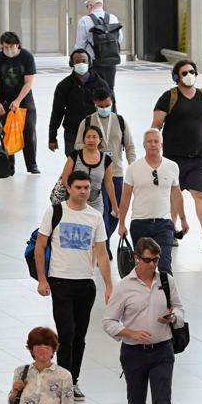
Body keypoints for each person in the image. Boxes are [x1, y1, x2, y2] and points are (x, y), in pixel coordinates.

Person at [103, 236, 183, 404]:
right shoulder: (124, 286)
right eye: (148, 260)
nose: (153, 265)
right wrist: (131, 333)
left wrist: (173, 317)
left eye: (156, 260)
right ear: (137, 258)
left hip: (162, 352)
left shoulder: (166, 282)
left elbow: (180, 309)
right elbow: (108, 322)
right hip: (134, 353)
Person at [35, 171, 112, 401]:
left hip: (85, 283)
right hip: (60, 280)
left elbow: (101, 252)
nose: (83, 191)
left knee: (80, 335)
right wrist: (42, 279)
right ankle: (63, 382)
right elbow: (40, 247)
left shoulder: (95, 217)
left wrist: (109, 285)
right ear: (68, 188)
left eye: (86, 187)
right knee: (66, 333)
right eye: (78, 187)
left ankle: (73, 380)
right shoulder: (55, 211)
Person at [153, 60, 202, 250]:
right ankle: (171, 232)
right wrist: (153, 150)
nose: (189, 75)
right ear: (176, 76)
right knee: (173, 196)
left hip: (200, 157)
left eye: (192, 71)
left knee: (200, 194)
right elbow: (156, 124)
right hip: (173, 158)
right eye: (184, 72)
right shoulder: (168, 97)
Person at [119, 129, 185, 273]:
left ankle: (166, 295)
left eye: (156, 141)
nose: (153, 144)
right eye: (149, 141)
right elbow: (126, 196)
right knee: (143, 268)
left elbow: (176, 194)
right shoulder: (133, 168)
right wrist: (121, 223)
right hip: (140, 223)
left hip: (164, 224)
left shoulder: (172, 166)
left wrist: (183, 219)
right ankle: (143, 295)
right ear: (144, 145)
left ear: (161, 144)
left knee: (164, 266)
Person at [76, 89, 136, 239]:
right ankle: (104, 245)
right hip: (97, 174)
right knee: (102, 210)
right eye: (100, 106)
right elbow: (77, 145)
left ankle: (103, 238)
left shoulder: (120, 121)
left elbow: (130, 146)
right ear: (95, 104)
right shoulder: (88, 122)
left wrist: (133, 167)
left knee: (116, 211)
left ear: (112, 102)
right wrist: (92, 146)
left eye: (107, 105)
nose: (104, 108)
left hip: (116, 173)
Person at [0, 32, 39, 174]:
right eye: (5, 47)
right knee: (6, 132)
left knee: (29, 130)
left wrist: (18, 101)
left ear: (17, 45)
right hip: (4, 99)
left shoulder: (26, 57)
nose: (8, 50)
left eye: (10, 46)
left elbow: (28, 83)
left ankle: (31, 164)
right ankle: (9, 165)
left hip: (24, 99)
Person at [60, 125, 114, 231]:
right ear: (83, 139)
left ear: (100, 140)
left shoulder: (106, 160)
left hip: (96, 202)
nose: (91, 140)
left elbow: (109, 184)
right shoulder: (75, 155)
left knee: (94, 233)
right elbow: (65, 179)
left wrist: (115, 207)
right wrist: (74, 194)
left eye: (94, 137)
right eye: (88, 137)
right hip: (74, 201)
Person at [49, 50, 103, 155]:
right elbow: (57, 112)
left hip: (95, 133)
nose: (81, 64)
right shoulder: (64, 86)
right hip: (72, 133)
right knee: (73, 164)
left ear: (89, 63)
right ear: (72, 64)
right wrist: (52, 138)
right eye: (77, 61)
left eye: (84, 61)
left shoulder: (100, 84)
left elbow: (110, 108)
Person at [73, 0, 120, 91]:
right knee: (109, 90)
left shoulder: (84, 21)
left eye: (87, 6)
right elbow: (119, 38)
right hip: (111, 62)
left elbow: (79, 46)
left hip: (94, 63)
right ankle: (111, 106)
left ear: (90, 6)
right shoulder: (113, 18)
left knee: (92, 91)